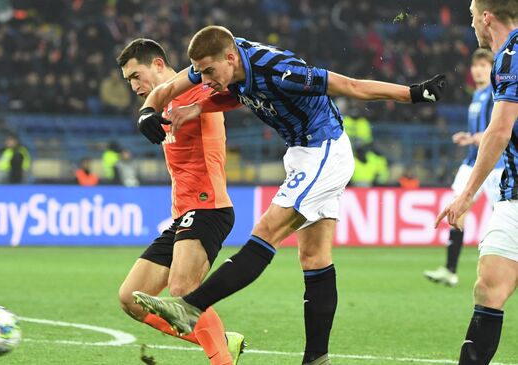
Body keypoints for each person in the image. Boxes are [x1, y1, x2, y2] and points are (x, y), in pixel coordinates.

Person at [131, 26, 446, 365]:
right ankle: (316, 358)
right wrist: (150, 110)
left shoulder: (282, 70)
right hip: (300, 153)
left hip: (323, 148)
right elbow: (171, 88)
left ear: (230, 57)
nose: (204, 79)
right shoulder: (219, 63)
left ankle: (191, 307)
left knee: (267, 230)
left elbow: (352, 86)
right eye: (201, 72)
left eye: (209, 72)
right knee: (314, 257)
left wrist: (413, 93)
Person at [116, 38, 245, 365]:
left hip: (208, 206)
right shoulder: (162, 102)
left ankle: (221, 359)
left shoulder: (198, 88)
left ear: (158, 64)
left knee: (183, 292)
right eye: (128, 80)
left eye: (136, 76)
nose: (133, 86)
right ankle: (222, 341)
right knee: (131, 298)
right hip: (183, 216)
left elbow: (232, 92)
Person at [436, 1, 518, 363]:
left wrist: (466, 195)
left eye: (471, 17)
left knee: (489, 288)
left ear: (486, 18)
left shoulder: (510, 55)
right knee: (488, 287)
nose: (471, 25)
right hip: (512, 195)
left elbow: (499, 131)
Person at [425, 48, 502, 287]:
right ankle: (450, 270)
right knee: (456, 211)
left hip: (494, 165)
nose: (479, 70)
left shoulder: (493, 94)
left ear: (492, 69)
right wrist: (469, 138)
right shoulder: (477, 95)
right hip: (471, 163)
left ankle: (504, 269)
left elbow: (498, 132)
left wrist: (472, 138)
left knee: (502, 217)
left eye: (484, 66)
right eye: (476, 66)